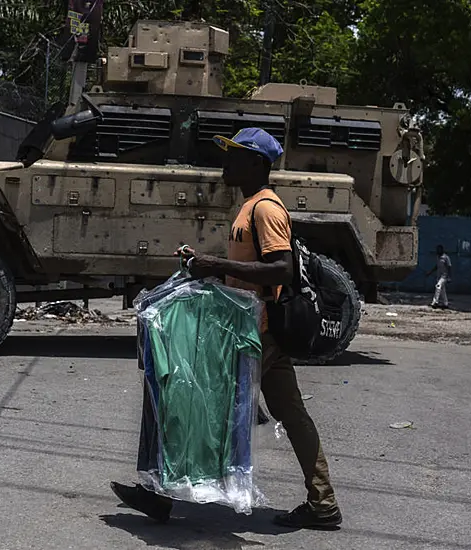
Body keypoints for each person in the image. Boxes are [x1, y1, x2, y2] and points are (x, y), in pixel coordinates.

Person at [110, 127, 342, 529]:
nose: (226, 161)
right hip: (257, 328)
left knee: (195, 400)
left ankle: (161, 494)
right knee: (291, 412)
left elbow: (281, 268)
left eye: (234, 155)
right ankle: (323, 503)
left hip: (258, 333)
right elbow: (249, 272)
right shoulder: (250, 205)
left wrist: (217, 266)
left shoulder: (265, 208)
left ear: (255, 163)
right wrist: (204, 266)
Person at [426, 245, 451, 310]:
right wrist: (430, 272)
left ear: (442, 250)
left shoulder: (446, 257)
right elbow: (436, 266)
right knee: (442, 290)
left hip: (444, 276)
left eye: (438, 250)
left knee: (438, 286)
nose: (437, 251)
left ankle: (435, 302)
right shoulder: (438, 257)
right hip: (439, 276)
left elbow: (449, 267)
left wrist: (449, 277)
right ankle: (446, 304)